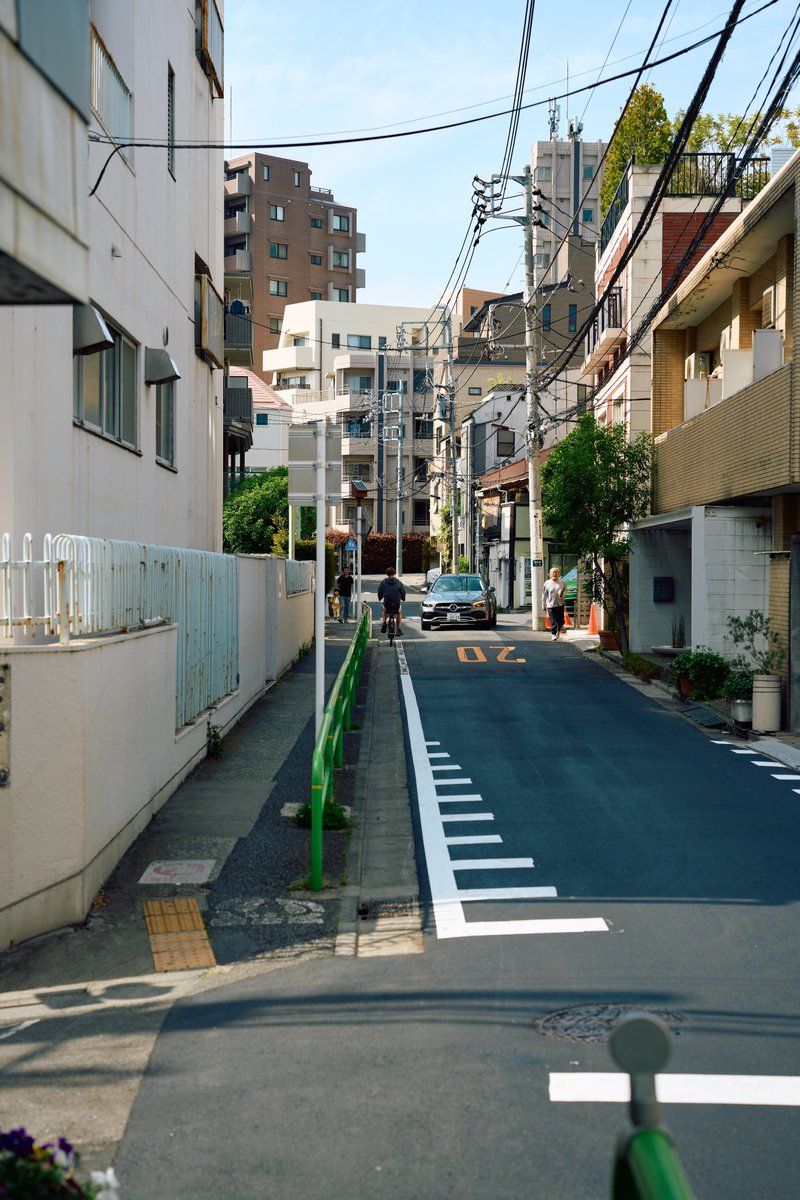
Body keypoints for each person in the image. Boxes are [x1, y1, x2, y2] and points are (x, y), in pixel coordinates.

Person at [378, 566, 406, 636]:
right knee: (399, 613)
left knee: (384, 610)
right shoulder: (399, 582)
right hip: (396, 602)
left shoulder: (383, 582)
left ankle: (384, 622)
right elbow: (403, 592)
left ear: (387, 574)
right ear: (394, 573)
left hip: (387, 602)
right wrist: (403, 598)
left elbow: (379, 592)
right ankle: (398, 629)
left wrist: (380, 597)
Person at [542, 567, 566, 641]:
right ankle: (553, 634)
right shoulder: (547, 583)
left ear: (559, 574)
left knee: (561, 621)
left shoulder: (562, 582)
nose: (555, 574)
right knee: (553, 621)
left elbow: (566, 590)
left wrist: (562, 594)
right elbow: (544, 595)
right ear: (550, 574)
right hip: (550, 605)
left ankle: (558, 631)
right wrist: (543, 605)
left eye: (556, 572)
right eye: (553, 572)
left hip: (560, 604)